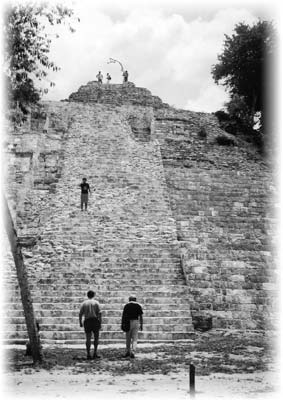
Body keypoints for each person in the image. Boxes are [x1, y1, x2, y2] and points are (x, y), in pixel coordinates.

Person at [79, 290, 102, 359]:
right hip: (95, 320)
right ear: (94, 295)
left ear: (87, 295)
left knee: (88, 338)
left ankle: (88, 353)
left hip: (87, 321)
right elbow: (100, 313)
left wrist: (80, 322)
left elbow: (80, 314)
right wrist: (100, 322)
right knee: (96, 337)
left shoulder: (84, 303)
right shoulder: (96, 302)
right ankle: (95, 352)